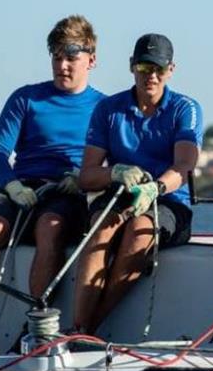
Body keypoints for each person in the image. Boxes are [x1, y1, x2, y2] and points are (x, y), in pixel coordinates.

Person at [0, 15, 105, 352]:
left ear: (91, 60)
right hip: (20, 187)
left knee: (50, 227)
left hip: (66, 190)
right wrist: (11, 186)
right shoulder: (26, 98)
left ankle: (34, 328)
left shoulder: (104, 108)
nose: (62, 65)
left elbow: (110, 161)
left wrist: (81, 179)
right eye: (56, 56)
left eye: (71, 57)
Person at [73, 33, 203, 335]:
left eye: (158, 69)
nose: (151, 76)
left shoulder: (186, 108)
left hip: (170, 200)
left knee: (138, 233)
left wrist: (155, 188)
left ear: (171, 70)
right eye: (144, 68)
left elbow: (184, 165)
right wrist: (115, 172)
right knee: (101, 227)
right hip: (121, 195)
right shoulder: (109, 109)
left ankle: (86, 331)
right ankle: (78, 327)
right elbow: (86, 175)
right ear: (132, 66)